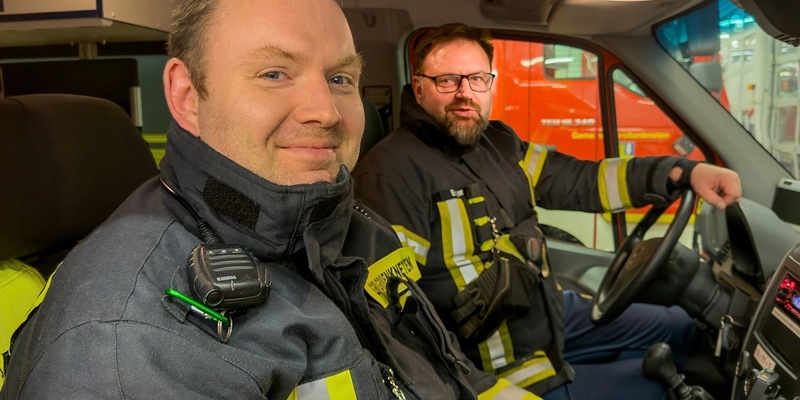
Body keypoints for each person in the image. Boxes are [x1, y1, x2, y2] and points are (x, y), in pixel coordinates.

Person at [0, 5, 539, 400]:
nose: (326, 110)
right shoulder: (128, 343)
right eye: (274, 73)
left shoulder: (351, 229)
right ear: (187, 96)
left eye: (340, 78)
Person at [352, 23, 742, 400]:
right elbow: (392, 318)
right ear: (418, 87)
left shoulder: (496, 145)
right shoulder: (390, 173)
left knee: (680, 327)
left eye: (476, 79)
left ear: (489, 85)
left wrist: (681, 171)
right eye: (447, 80)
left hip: (548, 316)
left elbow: (580, 180)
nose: (464, 93)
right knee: (658, 387)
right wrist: (478, 388)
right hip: (494, 366)